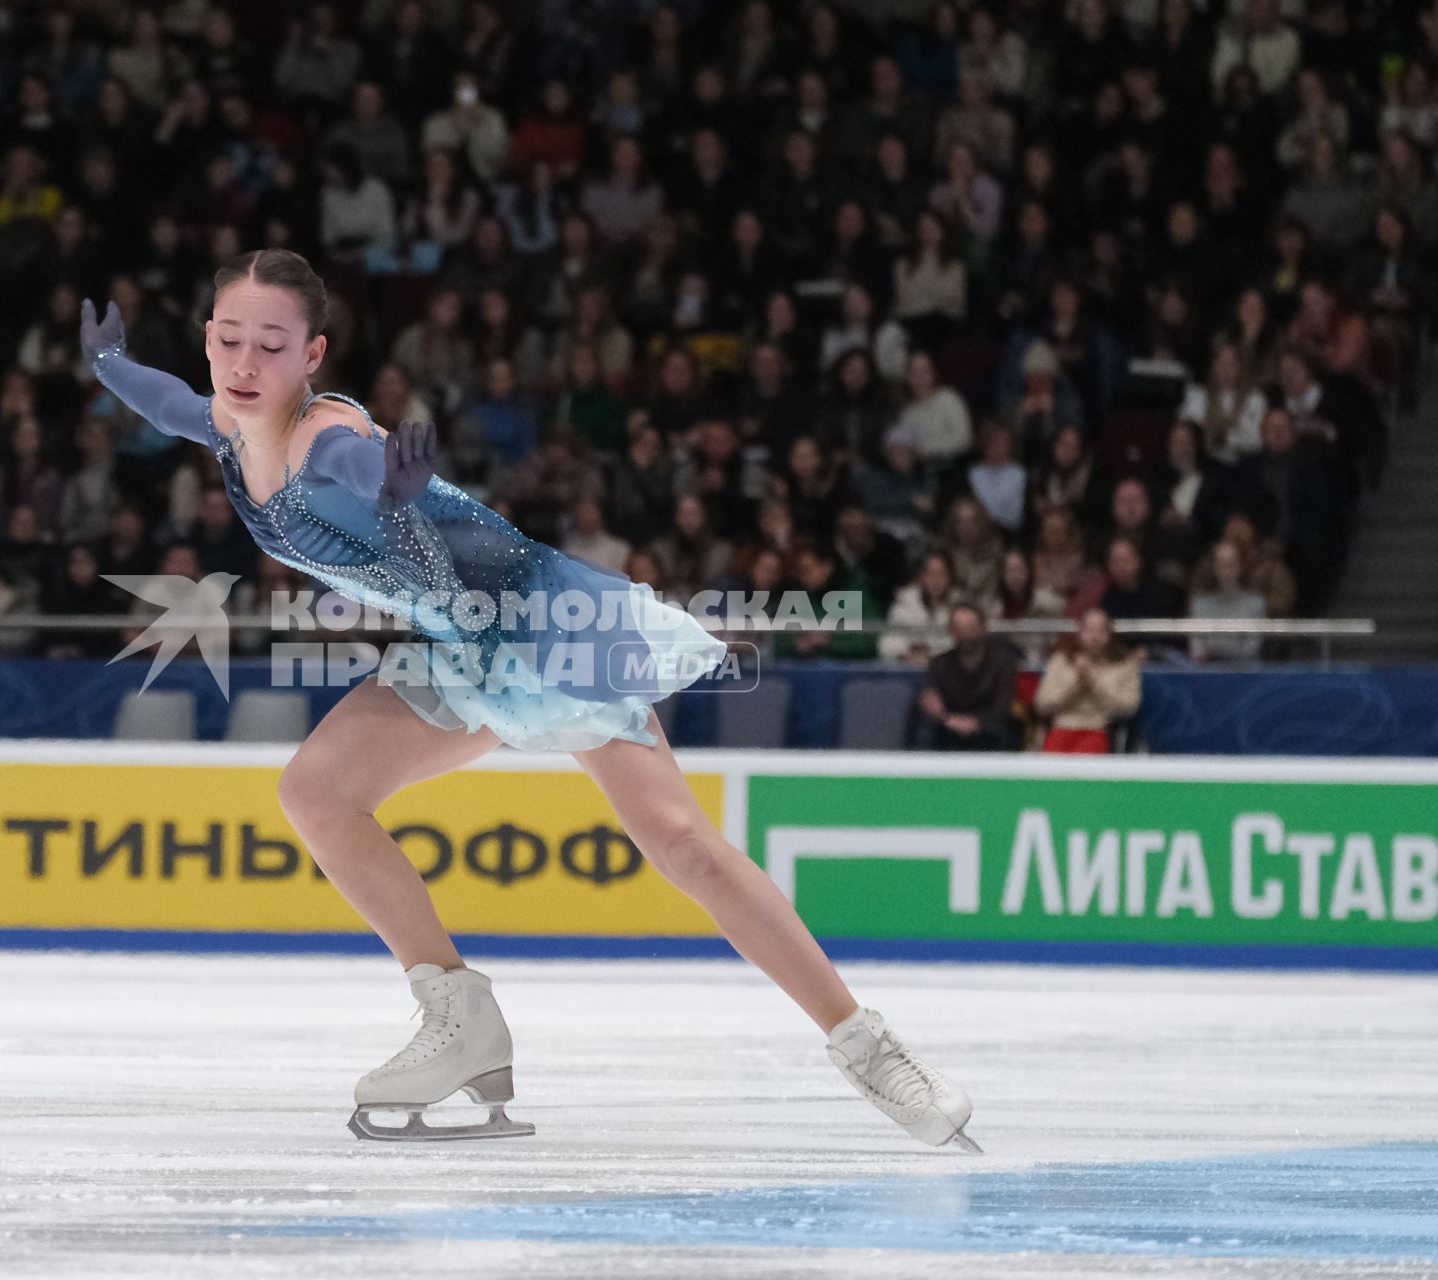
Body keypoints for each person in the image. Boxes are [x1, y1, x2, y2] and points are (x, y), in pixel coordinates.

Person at [81, 248, 978, 1152]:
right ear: (206, 338)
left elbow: (369, 472)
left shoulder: (326, 441)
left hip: (547, 619)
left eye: (269, 346)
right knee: (316, 791)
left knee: (681, 844)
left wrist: (399, 486)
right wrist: (111, 365)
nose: (244, 364)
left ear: (311, 357)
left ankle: (868, 1048)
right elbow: (171, 406)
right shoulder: (232, 427)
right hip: (463, 637)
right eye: (228, 339)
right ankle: (459, 1018)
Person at [912, 603, 1021, 751]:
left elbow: (1002, 706)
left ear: (983, 628)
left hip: (989, 726)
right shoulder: (939, 663)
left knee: (1004, 729)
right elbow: (931, 698)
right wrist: (948, 718)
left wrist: (975, 722)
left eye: (970, 628)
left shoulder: (1003, 663)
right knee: (925, 728)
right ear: (950, 629)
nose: (965, 634)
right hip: (948, 725)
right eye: (959, 628)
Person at [1032, 608, 1142, 753]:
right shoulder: (1060, 660)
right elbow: (1042, 703)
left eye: (1101, 631)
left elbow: (1129, 706)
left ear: (1109, 633)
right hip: (1061, 728)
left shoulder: (1125, 664)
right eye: (1089, 630)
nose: (1094, 637)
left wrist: (1093, 679)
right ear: (1079, 632)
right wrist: (1075, 682)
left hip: (1100, 730)